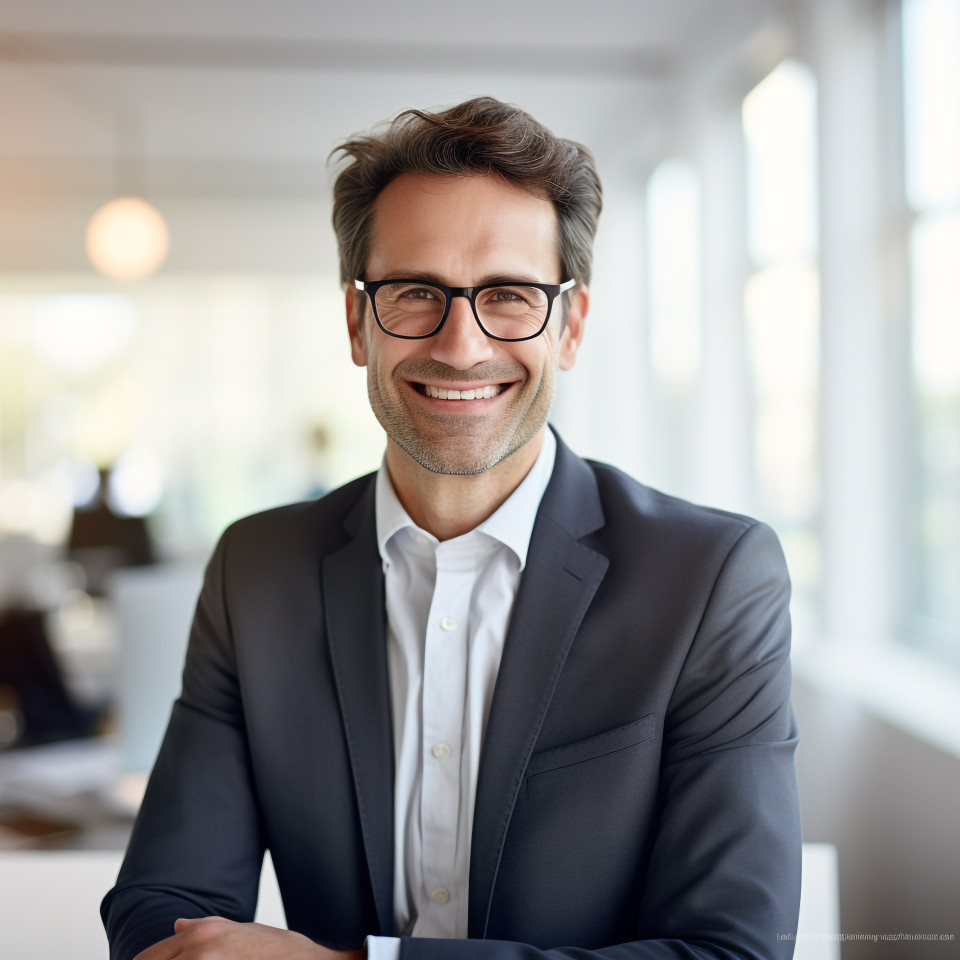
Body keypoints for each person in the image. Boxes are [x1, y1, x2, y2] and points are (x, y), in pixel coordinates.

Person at [102, 97, 801, 960]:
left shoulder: (710, 578)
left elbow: (732, 952)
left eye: (508, 295)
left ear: (570, 326)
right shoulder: (257, 568)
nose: (462, 346)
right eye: (414, 293)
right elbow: (162, 905)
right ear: (358, 322)